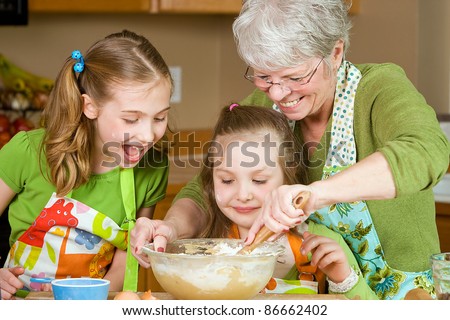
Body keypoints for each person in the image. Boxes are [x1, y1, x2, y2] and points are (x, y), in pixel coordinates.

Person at [131, 0, 450, 300]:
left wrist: (316, 194)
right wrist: (170, 228)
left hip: (404, 296)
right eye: (264, 76)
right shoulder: (263, 108)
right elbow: (205, 189)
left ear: (335, 53)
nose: (280, 93)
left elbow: (425, 152)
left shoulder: (380, 90)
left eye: (295, 76)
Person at [135, 104, 378, 299]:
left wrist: (343, 278)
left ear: (288, 176)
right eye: (227, 181)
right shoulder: (203, 244)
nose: (243, 194)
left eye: (259, 180)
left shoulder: (321, 244)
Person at [0, 29, 173, 299]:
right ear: (89, 107)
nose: (148, 135)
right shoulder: (28, 152)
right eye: (131, 119)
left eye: (160, 118)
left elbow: (123, 263)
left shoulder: (152, 169)